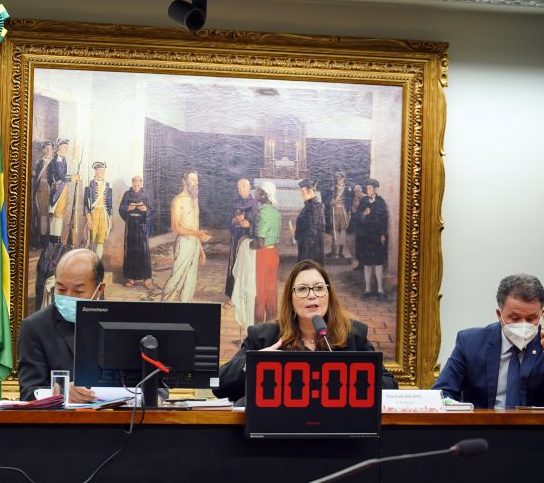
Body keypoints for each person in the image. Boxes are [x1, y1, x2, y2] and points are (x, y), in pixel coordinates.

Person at [215, 259, 398, 404]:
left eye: (319, 288)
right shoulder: (264, 336)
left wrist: (354, 378)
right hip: (279, 433)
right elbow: (219, 385)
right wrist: (251, 364)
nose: (312, 295)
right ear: (291, 299)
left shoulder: (353, 334)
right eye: (302, 289)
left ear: (328, 295)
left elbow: (389, 385)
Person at [433, 274, 544, 409]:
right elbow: (442, 394)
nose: (523, 324)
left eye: (531, 318)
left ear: (541, 314)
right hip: (480, 425)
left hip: (531, 426)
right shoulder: (471, 343)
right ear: (499, 314)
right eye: (514, 318)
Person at [18, 248, 104, 402]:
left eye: (78, 291)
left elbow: (145, 385)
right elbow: (29, 392)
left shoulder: (122, 322)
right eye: (61, 289)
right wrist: (61, 393)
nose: (68, 296)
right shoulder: (35, 327)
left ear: (100, 289)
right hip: (63, 416)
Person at [161, 170, 211, 303]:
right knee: (176, 279)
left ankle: (185, 309)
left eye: (197, 180)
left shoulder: (195, 200)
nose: (196, 183)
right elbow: (175, 227)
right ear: (184, 181)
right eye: (193, 180)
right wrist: (196, 234)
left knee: (190, 281)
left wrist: (201, 250)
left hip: (194, 244)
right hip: (183, 244)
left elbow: (195, 227)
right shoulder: (178, 200)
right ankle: (163, 307)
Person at [224, 178, 258, 306]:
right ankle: (233, 294)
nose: (241, 188)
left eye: (243, 186)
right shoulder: (234, 203)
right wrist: (235, 220)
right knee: (235, 264)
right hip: (236, 237)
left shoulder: (254, 203)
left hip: (248, 238)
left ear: (249, 188)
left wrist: (249, 225)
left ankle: (245, 293)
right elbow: (228, 221)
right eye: (239, 186)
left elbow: (258, 222)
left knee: (246, 266)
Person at [118, 175, 155, 290]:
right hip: (131, 225)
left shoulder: (146, 194)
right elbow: (121, 208)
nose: (136, 187)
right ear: (132, 183)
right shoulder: (127, 194)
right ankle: (131, 278)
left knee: (143, 252)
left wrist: (145, 210)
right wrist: (127, 208)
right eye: (134, 185)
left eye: (138, 185)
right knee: (130, 251)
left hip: (142, 226)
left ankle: (147, 279)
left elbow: (152, 210)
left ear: (141, 184)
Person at [251, 181, 281, 324]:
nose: (255, 193)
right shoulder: (276, 212)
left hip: (262, 255)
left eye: (257, 190)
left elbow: (260, 243)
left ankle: (258, 327)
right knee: (271, 291)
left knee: (259, 291)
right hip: (273, 254)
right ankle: (271, 324)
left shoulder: (262, 212)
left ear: (264, 195)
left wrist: (246, 243)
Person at [354, 178, 388, 300]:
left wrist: (383, 234)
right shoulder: (363, 201)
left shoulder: (381, 202)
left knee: (378, 263)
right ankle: (367, 289)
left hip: (377, 236)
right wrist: (364, 214)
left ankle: (380, 289)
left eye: (370, 188)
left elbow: (384, 219)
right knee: (367, 263)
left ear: (375, 189)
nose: (367, 190)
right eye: (367, 188)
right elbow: (356, 217)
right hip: (366, 237)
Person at [47, 139, 79, 244]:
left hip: (59, 188)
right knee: (58, 215)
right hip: (59, 189)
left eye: (66, 147)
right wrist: (72, 177)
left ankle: (54, 239)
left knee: (57, 215)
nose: (66, 149)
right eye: (64, 147)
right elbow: (61, 175)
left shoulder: (62, 158)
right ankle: (56, 240)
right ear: (59, 147)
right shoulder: (58, 159)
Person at [291, 178, 325, 266]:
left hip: (309, 249)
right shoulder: (312, 206)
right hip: (309, 245)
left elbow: (312, 231)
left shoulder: (313, 207)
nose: (301, 194)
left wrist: (305, 255)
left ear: (310, 191)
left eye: (303, 192)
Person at [83, 161, 113, 259]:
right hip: (93, 214)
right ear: (95, 171)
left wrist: (110, 217)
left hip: (104, 215)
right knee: (91, 239)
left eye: (102, 170)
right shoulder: (89, 184)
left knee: (101, 239)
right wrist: (89, 218)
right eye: (99, 170)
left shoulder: (108, 185)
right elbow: (86, 203)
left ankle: (98, 261)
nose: (101, 172)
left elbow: (109, 203)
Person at [31, 140, 54, 248]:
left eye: (50, 148)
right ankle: (43, 240)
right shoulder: (39, 162)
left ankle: (52, 240)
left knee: (53, 215)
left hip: (52, 191)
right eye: (47, 148)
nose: (49, 150)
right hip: (41, 191)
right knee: (43, 215)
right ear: (43, 150)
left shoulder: (55, 162)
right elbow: (35, 175)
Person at [328, 171, 353, 261]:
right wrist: (331, 202)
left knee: (342, 232)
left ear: (344, 179)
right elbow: (329, 200)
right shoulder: (333, 188)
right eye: (338, 178)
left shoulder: (347, 189)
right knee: (334, 232)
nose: (339, 180)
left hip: (343, 212)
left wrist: (347, 210)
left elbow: (349, 201)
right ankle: (333, 251)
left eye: (341, 178)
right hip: (334, 211)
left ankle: (341, 252)